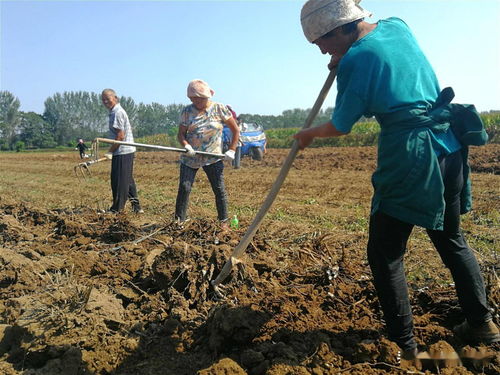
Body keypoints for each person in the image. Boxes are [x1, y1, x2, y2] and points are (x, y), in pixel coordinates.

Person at [295, 0, 499, 359]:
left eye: (322, 43)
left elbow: (341, 126)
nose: (323, 52)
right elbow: (384, 58)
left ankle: (403, 347)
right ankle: (481, 324)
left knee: (385, 253)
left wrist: (308, 134)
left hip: (412, 156)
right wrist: (346, 55)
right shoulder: (397, 26)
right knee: (451, 239)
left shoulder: (356, 61)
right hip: (448, 147)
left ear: (339, 29)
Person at [175, 79, 240, 229]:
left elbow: (235, 130)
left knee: (219, 189)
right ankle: (179, 221)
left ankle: (223, 222)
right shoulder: (186, 111)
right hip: (190, 157)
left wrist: (231, 149)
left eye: (199, 99)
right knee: (185, 187)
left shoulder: (219, 109)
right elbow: (181, 135)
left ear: (206, 96)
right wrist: (186, 146)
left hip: (213, 157)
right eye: (193, 99)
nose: (196, 102)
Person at [101, 88, 143, 214]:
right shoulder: (114, 111)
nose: (105, 102)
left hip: (123, 150)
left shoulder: (117, 112)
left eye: (108, 99)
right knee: (127, 179)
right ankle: (137, 207)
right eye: (103, 100)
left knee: (119, 180)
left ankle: (117, 209)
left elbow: (120, 136)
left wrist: (110, 151)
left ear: (115, 98)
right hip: (125, 150)